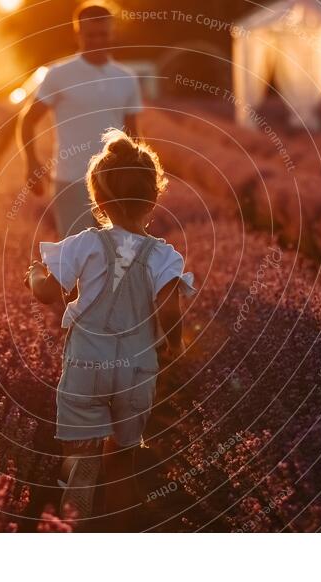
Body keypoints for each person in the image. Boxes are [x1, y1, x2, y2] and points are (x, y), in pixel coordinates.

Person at [23, 129, 195, 531]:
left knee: (80, 457)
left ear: (98, 199)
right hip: (135, 367)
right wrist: (173, 346)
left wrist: (34, 275)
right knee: (122, 457)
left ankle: (75, 522)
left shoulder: (84, 244)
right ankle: (118, 529)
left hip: (86, 363)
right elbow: (170, 309)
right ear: (154, 198)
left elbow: (49, 293)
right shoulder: (163, 255)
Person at [17, 1, 143, 238]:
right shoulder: (59, 75)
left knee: (116, 257)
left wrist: (141, 175)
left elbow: (134, 134)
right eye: (90, 35)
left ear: (112, 33)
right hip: (71, 181)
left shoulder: (126, 78)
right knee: (77, 255)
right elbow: (28, 120)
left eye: (103, 34)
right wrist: (31, 162)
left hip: (115, 184)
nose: (97, 41)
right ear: (78, 34)